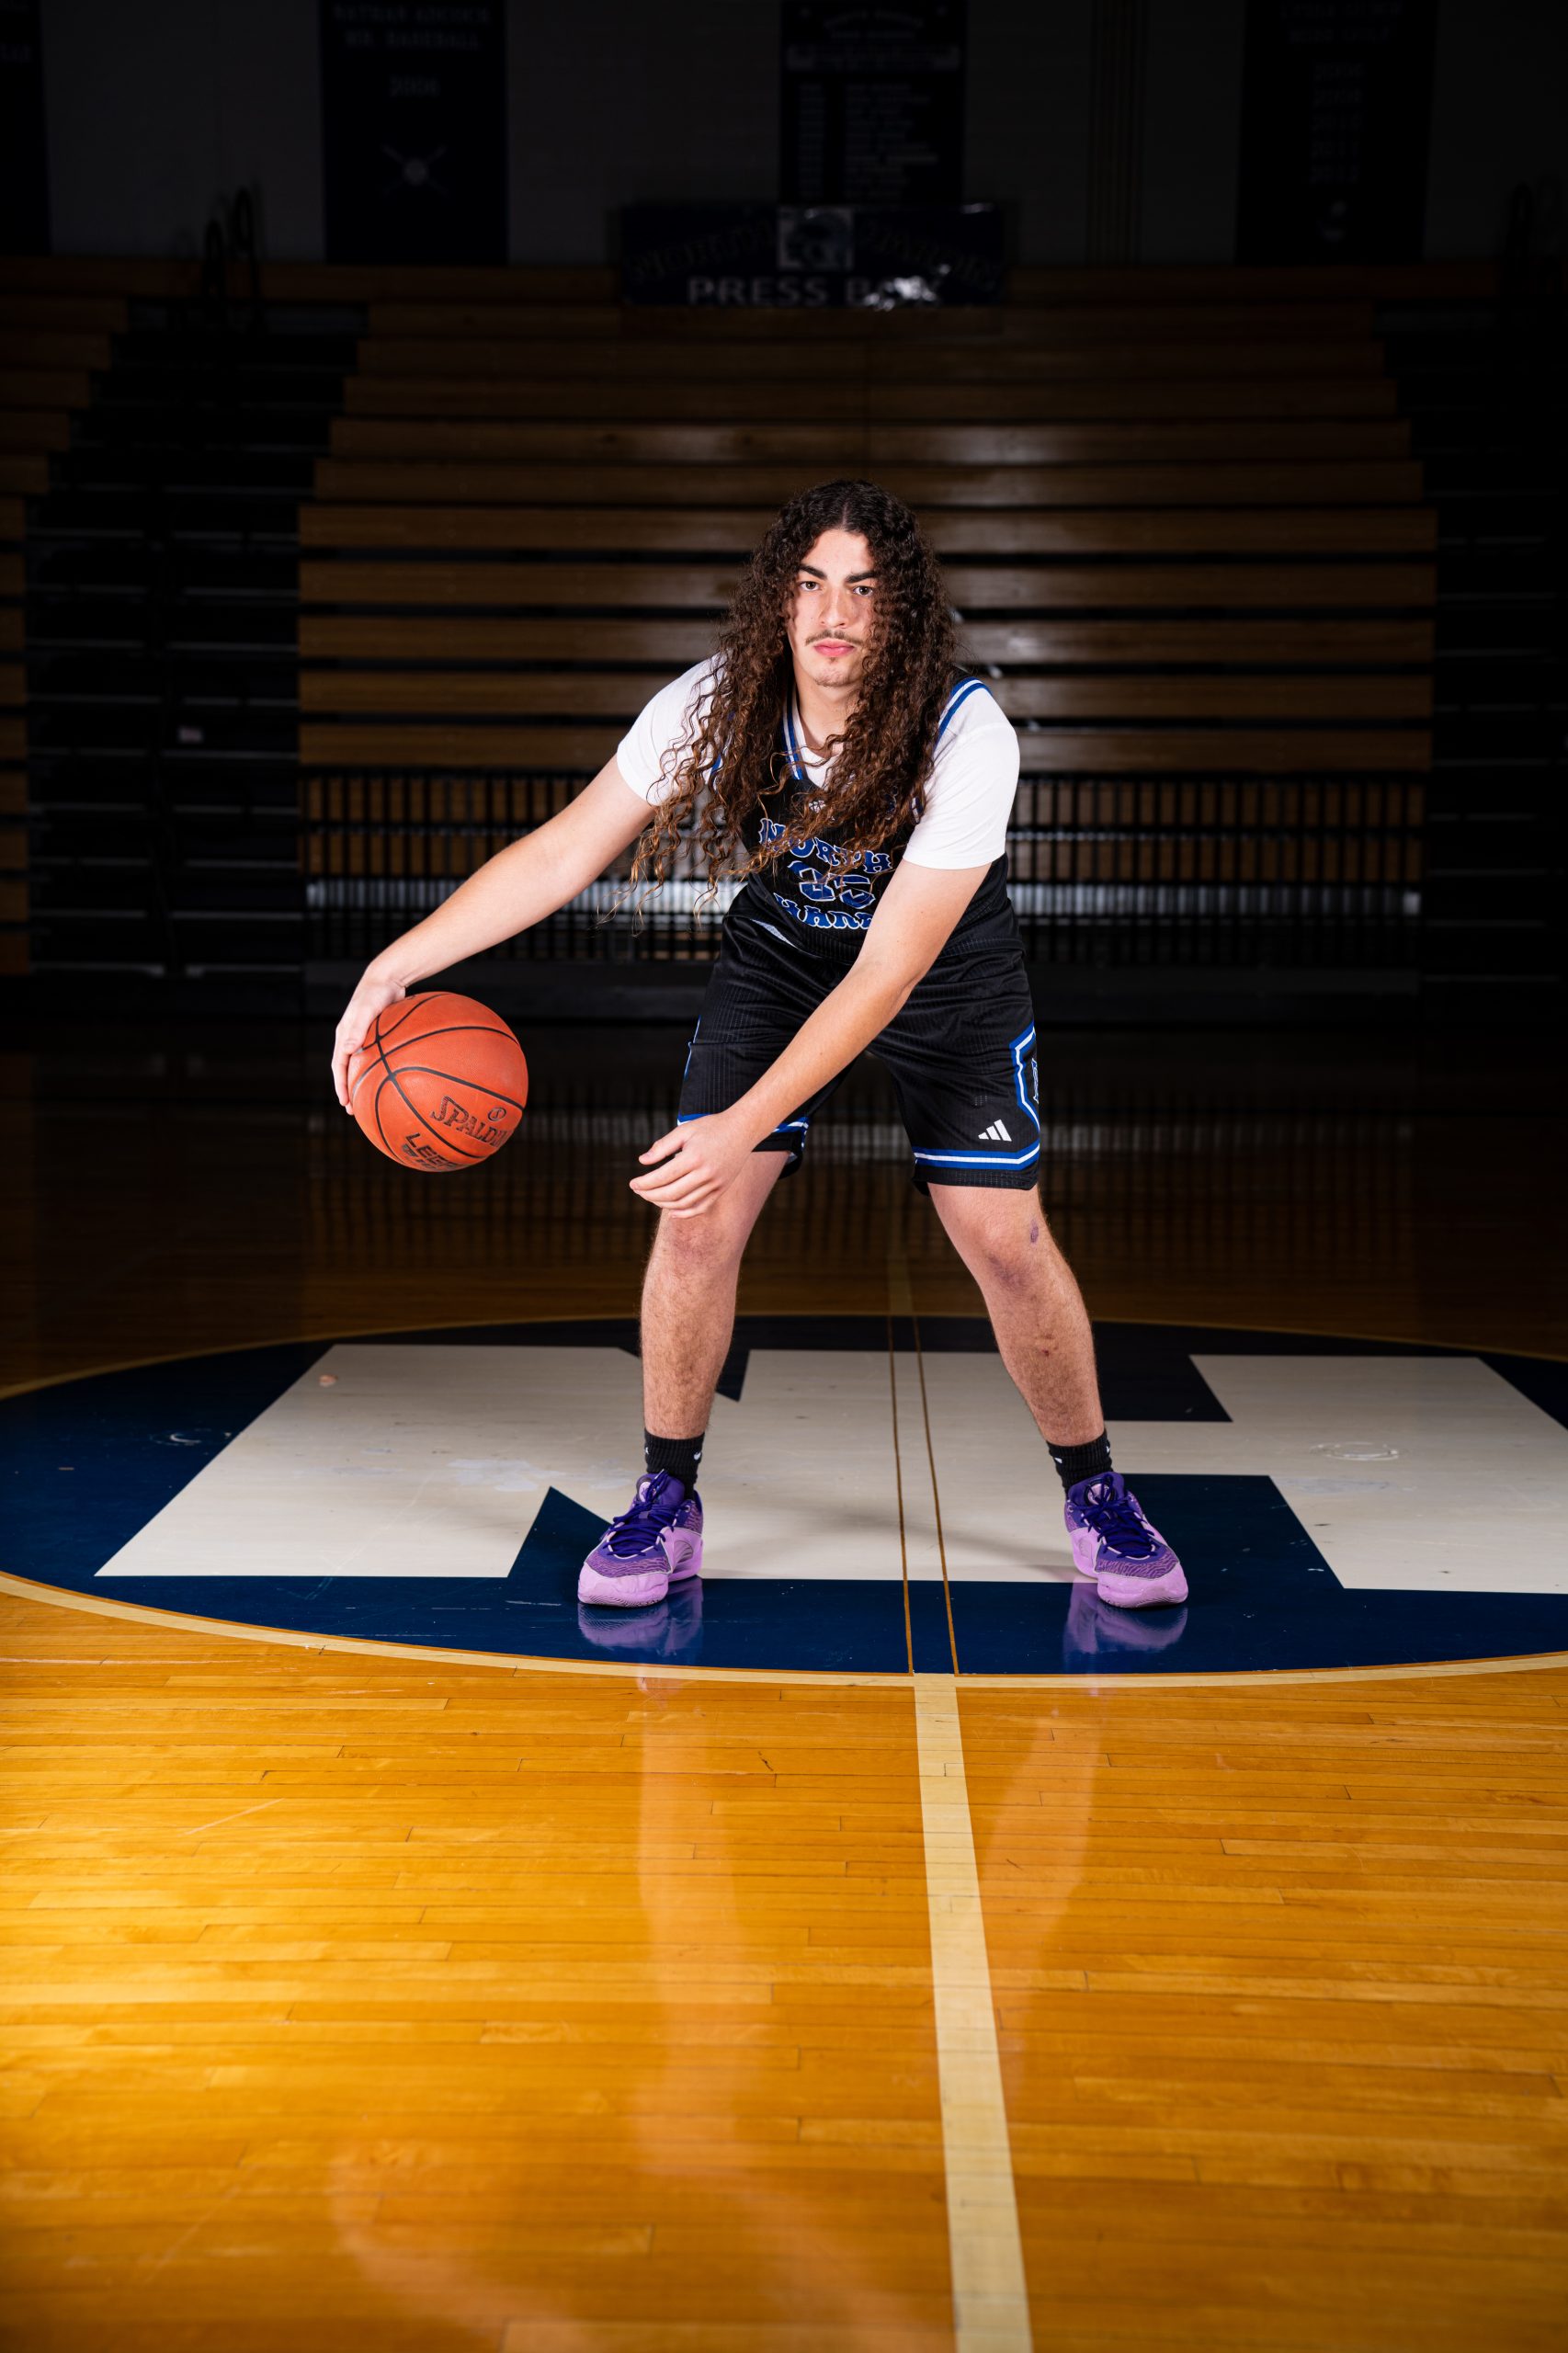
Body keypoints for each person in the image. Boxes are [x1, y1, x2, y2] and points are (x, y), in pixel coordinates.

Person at [331, 479, 1187, 1618]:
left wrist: (740, 1125)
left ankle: (1096, 1492)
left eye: (863, 590)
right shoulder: (716, 699)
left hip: (940, 974)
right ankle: (664, 1497)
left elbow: (885, 974)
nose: (834, 614)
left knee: (1005, 1238)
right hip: (781, 959)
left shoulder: (963, 731)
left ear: (899, 610)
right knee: (696, 1219)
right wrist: (394, 966)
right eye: (811, 584)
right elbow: (564, 850)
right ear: (778, 600)